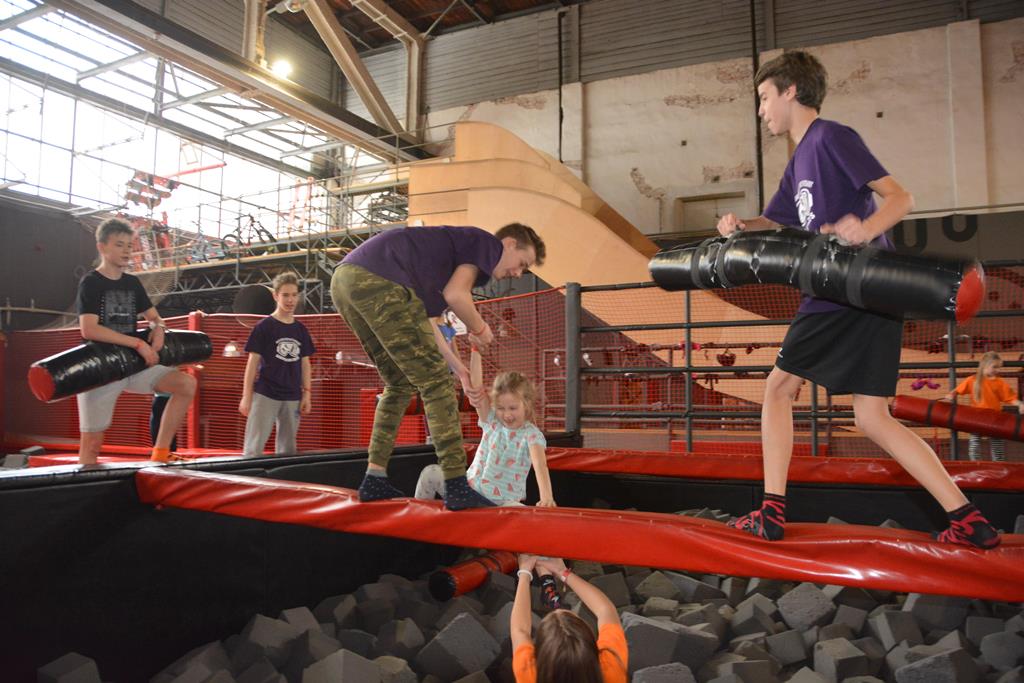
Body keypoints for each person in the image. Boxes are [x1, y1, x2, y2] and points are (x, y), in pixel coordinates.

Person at [716, 51, 1000, 548]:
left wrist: (864, 229)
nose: (760, 111)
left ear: (790, 91)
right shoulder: (798, 158)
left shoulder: (830, 137)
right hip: (869, 296)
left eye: (763, 98)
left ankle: (771, 512)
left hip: (845, 286)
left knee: (778, 390)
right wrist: (742, 225)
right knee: (872, 416)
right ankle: (969, 519)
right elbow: (777, 220)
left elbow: (901, 198)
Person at [331, 223, 546, 510]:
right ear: (508, 244)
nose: (518, 273)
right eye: (522, 263)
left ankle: (374, 477)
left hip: (345, 281)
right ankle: (456, 484)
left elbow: (432, 325)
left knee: (399, 384)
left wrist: (460, 371)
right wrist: (480, 328)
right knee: (437, 384)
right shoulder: (485, 244)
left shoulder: (437, 268)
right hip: (379, 279)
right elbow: (457, 296)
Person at [415, 348, 562, 607]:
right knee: (430, 473)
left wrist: (547, 497)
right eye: (502, 407)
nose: (507, 414)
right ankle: (417, 522)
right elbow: (475, 387)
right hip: (468, 493)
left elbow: (540, 466)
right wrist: (476, 350)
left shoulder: (531, 435)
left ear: (527, 404)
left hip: (501, 504)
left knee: (532, 526)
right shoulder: (491, 421)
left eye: (513, 408)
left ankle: (548, 580)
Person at [76, 218, 196, 465]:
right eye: (119, 245)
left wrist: (159, 327)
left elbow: (155, 317)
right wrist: (138, 344)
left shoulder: (132, 283)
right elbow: (89, 329)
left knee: (185, 384)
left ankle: (161, 452)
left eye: (129, 245)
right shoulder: (91, 282)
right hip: (101, 367)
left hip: (132, 364)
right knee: (92, 445)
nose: (127, 251)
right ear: (102, 247)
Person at [511, 554, 628, 683]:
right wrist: (563, 572)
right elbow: (606, 609)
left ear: (540, 653)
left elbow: (520, 630)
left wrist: (525, 573)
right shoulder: (610, 668)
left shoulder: (532, 675)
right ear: (591, 645)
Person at [239, 272, 314, 457]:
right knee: (254, 447)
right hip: (266, 393)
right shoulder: (263, 327)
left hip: (292, 395)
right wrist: (247, 396)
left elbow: (305, 363)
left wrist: (307, 393)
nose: (290, 300)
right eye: (285, 295)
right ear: (276, 296)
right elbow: (252, 363)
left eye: (294, 295)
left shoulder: (301, 330)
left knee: (288, 449)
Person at [945, 351, 1023, 462]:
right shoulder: (973, 380)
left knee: (997, 447)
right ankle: (976, 464)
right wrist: (951, 395)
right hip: (977, 418)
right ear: (985, 365)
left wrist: (1020, 404)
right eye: (994, 367)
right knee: (974, 446)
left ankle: (999, 465)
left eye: (999, 367)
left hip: (995, 419)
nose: (997, 370)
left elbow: (1010, 398)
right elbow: (957, 390)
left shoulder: (1000, 382)